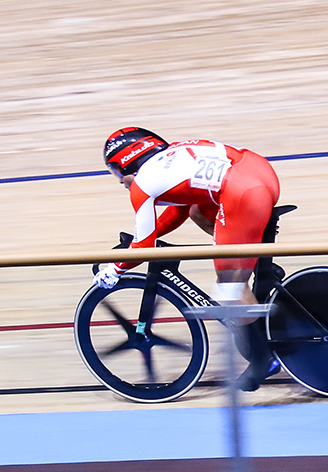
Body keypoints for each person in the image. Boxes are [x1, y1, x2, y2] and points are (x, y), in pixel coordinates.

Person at [97, 127, 283, 382]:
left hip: (243, 192)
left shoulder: (141, 184)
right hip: (258, 170)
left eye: (117, 171)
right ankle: (263, 270)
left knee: (229, 286)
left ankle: (263, 360)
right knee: (198, 210)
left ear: (130, 159)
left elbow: (144, 248)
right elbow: (181, 210)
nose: (119, 180)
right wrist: (141, 242)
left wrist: (115, 269)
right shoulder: (171, 157)